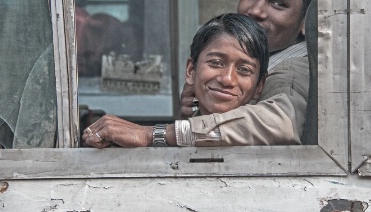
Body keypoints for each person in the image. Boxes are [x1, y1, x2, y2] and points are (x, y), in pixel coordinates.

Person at [83, 0, 317, 147]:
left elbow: (280, 123)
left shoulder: (297, 67)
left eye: (278, 4)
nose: (255, 11)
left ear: (306, 22)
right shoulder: (260, 55)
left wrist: (154, 134)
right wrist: (196, 109)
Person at [83, 13, 270, 148]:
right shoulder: (176, 137)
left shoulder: (267, 137)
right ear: (190, 70)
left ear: (259, 86)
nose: (228, 79)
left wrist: (149, 134)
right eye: (216, 63)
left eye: (244, 70)